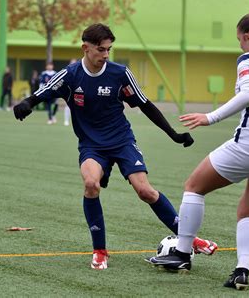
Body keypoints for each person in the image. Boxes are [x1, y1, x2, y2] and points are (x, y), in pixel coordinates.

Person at [13, 23, 218, 270]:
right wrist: (27, 103)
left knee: (146, 191)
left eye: (109, 49)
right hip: (91, 146)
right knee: (91, 185)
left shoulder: (120, 74)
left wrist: (173, 134)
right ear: (85, 48)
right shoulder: (71, 74)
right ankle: (100, 251)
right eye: (101, 50)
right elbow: (43, 91)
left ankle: (190, 239)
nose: (106, 55)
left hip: (122, 141)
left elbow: (145, 104)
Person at [147, 4, 249, 291]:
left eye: (240, 40)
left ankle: (181, 254)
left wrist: (209, 117)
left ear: (248, 37)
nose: (240, 45)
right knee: (248, 213)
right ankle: (241, 271)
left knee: (194, 186)